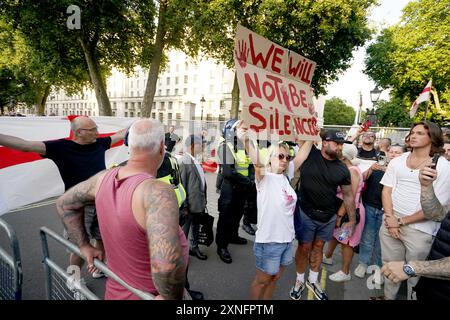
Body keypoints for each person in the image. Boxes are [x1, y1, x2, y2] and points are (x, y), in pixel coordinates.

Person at [56, 119, 188, 300]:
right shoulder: (157, 191)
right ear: (161, 148)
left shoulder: (102, 179)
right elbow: (165, 265)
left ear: (130, 146)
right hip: (145, 295)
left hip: (115, 293)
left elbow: (64, 203)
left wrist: (84, 245)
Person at [0, 115, 127, 276]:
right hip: (76, 206)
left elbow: (121, 134)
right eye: (93, 130)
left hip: (101, 202)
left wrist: (139, 123)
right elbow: (25, 146)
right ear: (79, 132)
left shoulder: (100, 144)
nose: (97, 133)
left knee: (101, 238)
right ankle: (74, 279)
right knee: (79, 245)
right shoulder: (61, 147)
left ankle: (98, 269)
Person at [236, 121, 313, 300]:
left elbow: (303, 153)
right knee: (262, 280)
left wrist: (310, 130)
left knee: (274, 278)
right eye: (280, 156)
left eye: (287, 157)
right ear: (270, 158)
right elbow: (256, 164)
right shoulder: (265, 178)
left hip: (287, 240)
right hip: (270, 241)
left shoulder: (286, 177)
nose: (285, 160)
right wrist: (246, 139)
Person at [380, 121, 450, 300]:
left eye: (419, 133)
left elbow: (437, 209)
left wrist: (401, 222)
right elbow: (386, 190)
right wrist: (390, 219)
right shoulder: (397, 160)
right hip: (390, 221)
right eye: (412, 132)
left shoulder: (443, 167)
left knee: (415, 275)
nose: (413, 136)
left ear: (432, 137)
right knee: (390, 268)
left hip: (420, 229)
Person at [290, 130, 356, 300]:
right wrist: (310, 125)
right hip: (305, 212)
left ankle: (312, 280)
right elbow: (298, 130)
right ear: (325, 142)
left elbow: (348, 196)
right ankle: (299, 281)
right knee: (304, 247)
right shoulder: (309, 153)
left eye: (342, 144)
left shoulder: (342, 168)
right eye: (337, 143)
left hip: (328, 217)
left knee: (318, 247)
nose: (340, 147)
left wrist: (352, 221)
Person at [353, 144, 405, 279]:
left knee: (382, 242)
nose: (393, 154)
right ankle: (363, 263)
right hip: (370, 206)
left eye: (397, 152)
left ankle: (377, 267)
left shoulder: (403, 170)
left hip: (388, 211)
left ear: (404, 155)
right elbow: (361, 179)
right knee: (367, 237)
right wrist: (371, 168)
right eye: (391, 151)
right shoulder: (377, 165)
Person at [323, 143, 365, 282]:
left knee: (347, 242)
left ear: (344, 156)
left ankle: (345, 271)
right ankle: (328, 256)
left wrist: (339, 216)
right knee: (336, 236)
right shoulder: (347, 168)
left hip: (349, 212)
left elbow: (350, 197)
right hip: (342, 210)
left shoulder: (352, 171)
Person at [215, 119, 252, 264]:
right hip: (230, 190)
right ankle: (222, 247)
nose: (246, 130)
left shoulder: (243, 146)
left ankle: (233, 236)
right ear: (232, 130)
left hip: (242, 189)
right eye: (243, 128)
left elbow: (248, 166)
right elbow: (228, 173)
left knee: (237, 215)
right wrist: (249, 182)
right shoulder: (225, 146)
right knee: (225, 219)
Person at [179, 135, 208, 261]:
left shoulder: (195, 160)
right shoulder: (184, 162)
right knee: (184, 231)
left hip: (197, 204)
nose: (202, 147)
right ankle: (181, 255)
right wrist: (184, 206)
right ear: (192, 146)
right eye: (200, 144)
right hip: (189, 206)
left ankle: (194, 247)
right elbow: (182, 185)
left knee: (195, 227)